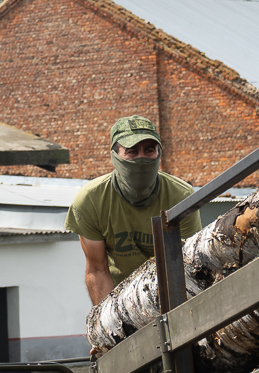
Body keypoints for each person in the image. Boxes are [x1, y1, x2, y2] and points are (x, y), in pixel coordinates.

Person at [66, 115, 203, 311]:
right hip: (120, 301)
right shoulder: (91, 201)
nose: (142, 158)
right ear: (115, 155)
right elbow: (97, 270)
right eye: (132, 151)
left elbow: (188, 264)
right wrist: (109, 320)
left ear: (159, 153)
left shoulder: (181, 197)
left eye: (149, 150)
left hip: (171, 298)